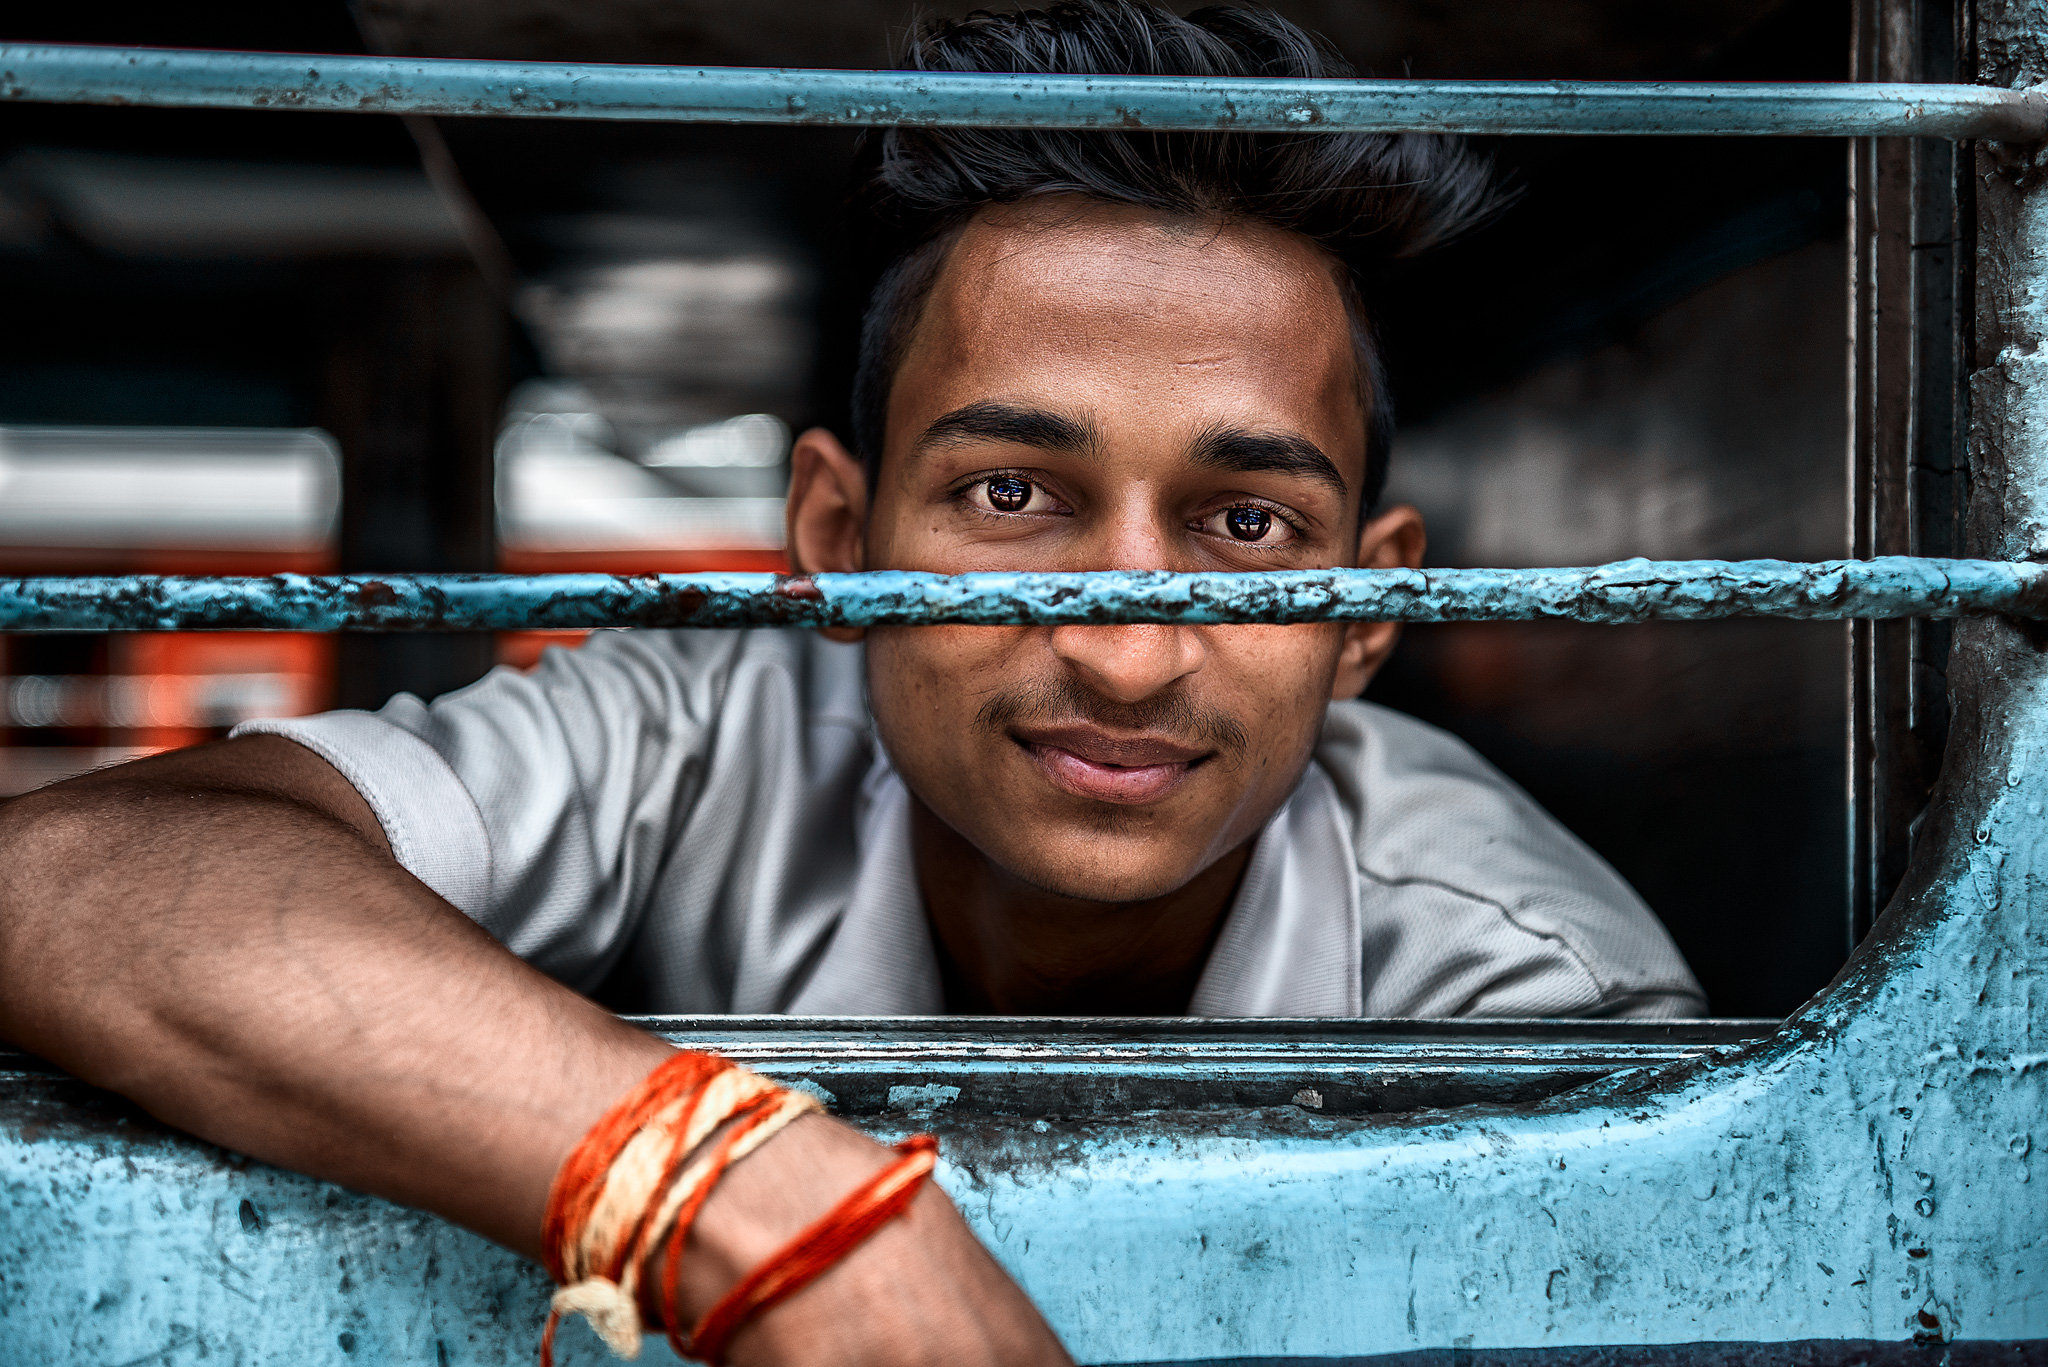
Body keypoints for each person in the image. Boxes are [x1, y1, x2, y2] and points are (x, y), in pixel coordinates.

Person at [0, 3, 1704, 1364]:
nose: (1122, 648)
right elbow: (68, 874)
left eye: (1246, 523)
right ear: (831, 532)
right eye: (1011, 496)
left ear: (1369, 613)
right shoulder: (688, 734)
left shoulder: (1534, 1005)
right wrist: (757, 1208)